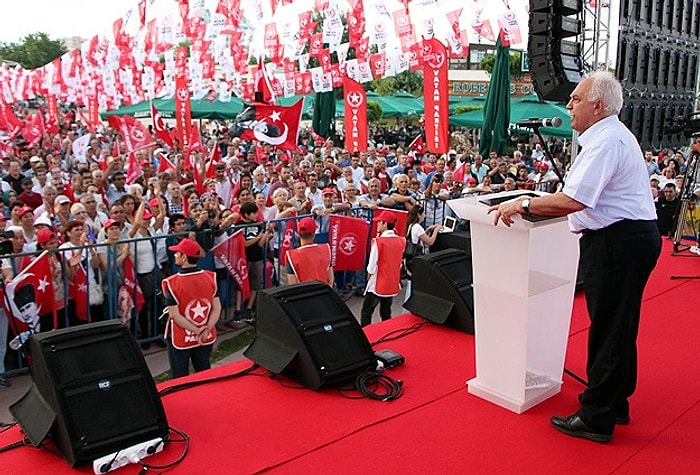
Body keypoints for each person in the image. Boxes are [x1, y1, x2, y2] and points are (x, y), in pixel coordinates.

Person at [488, 71, 661, 443]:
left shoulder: (604, 142)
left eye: (576, 100)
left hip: (618, 242)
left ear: (598, 105)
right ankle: (615, 402)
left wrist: (522, 203)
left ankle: (597, 414)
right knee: (619, 324)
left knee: (609, 328)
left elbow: (574, 200)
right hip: (630, 238)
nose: (568, 106)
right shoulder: (612, 135)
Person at [162, 238, 221, 379]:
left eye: (177, 252)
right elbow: (217, 307)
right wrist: (206, 329)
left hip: (181, 337)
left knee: (180, 376)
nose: (174, 255)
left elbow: (175, 315)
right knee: (204, 372)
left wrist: (196, 330)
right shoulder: (210, 277)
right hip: (206, 335)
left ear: (184, 257)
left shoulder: (171, 283)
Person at [360, 211, 406, 326]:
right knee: (386, 312)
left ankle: (367, 335)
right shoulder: (401, 240)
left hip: (377, 282)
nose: (378, 225)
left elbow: (371, 266)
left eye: (379, 222)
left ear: (385, 224)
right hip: (391, 282)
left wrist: (369, 277)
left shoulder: (378, 242)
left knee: (366, 312)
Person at [286, 217, 334, 286]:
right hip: (324, 293)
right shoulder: (326, 249)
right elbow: (331, 279)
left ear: (299, 234)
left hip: (304, 295)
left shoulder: (291, 256)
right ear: (314, 233)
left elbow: (292, 285)